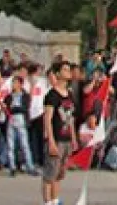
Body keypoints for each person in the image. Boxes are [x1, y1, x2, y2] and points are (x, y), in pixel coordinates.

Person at [41, 61, 77, 205]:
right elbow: (47, 119)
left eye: (69, 69)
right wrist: (51, 141)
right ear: (57, 74)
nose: (68, 72)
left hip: (67, 137)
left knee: (60, 173)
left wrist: (74, 138)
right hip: (56, 138)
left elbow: (71, 118)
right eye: (65, 69)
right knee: (50, 174)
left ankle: (56, 200)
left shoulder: (70, 94)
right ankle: (48, 201)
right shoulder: (51, 95)